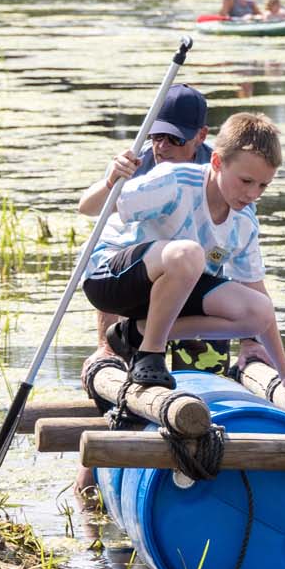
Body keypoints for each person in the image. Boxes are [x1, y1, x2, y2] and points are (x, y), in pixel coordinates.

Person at [81, 111, 285, 390]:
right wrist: (110, 182)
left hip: (169, 296)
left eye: (263, 185)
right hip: (112, 281)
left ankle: (135, 334)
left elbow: (257, 291)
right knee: (189, 254)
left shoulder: (244, 221)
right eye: (246, 181)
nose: (253, 194)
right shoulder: (175, 180)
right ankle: (151, 354)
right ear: (216, 161)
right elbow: (89, 208)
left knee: (259, 313)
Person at [75, 84, 213, 376]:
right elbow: (91, 214)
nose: (162, 147)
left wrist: (253, 342)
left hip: (196, 275)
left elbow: (237, 245)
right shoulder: (136, 166)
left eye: (174, 138)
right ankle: (114, 345)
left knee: (205, 371)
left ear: (201, 135)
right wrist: (111, 181)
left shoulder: (218, 171)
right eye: (156, 136)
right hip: (144, 274)